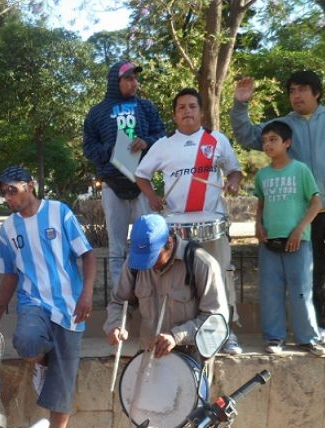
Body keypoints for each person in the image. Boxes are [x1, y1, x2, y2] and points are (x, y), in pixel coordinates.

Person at [230, 70, 325, 350]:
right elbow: (248, 135)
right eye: (292, 91)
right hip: (303, 216)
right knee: (312, 276)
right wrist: (241, 104)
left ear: (316, 92)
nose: (296, 95)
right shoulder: (283, 126)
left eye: (302, 90)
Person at [0, 165, 96, 428]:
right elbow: (10, 275)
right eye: (3, 193)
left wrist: (86, 294)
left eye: (13, 190)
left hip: (70, 307)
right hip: (33, 302)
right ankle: (43, 364)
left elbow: (87, 254)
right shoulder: (8, 229)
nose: (8, 197)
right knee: (26, 341)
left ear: (30, 186)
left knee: (62, 393)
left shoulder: (60, 212)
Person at [134, 88, 244, 355]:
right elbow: (141, 175)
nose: (187, 111)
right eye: (181, 107)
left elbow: (235, 170)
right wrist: (152, 198)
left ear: (201, 111)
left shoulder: (217, 140)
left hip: (212, 222)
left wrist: (232, 182)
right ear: (174, 114)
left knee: (222, 276)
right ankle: (184, 334)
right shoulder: (162, 145)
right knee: (183, 282)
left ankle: (225, 332)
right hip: (176, 227)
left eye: (192, 106)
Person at [83, 60, 165, 292]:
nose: (134, 83)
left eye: (135, 79)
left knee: (148, 241)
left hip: (143, 184)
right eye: (128, 79)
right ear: (115, 81)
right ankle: (121, 296)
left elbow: (162, 135)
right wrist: (109, 150)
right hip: (112, 185)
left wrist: (146, 141)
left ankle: (148, 292)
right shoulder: (97, 113)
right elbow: (88, 148)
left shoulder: (146, 107)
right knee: (116, 248)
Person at [254, 120, 325, 356]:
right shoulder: (262, 175)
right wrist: (258, 224)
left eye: (273, 140)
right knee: (270, 291)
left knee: (301, 291)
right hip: (270, 243)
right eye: (265, 140)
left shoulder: (300, 170)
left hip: (297, 242)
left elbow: (316, 202)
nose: (268, 144)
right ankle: (274, 337)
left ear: (287, 143)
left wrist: (299, 230)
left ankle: (307, 338)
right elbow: (261, 204)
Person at [104, 214, 228, 356]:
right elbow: (119, 302)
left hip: (190, 356)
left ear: (169, 243)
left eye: (152, 258)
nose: (147, 266)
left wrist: (177, 336)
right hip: (149, 355)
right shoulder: (134, 264)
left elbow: (217, 321)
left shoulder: (202, 264)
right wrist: (116, 324)